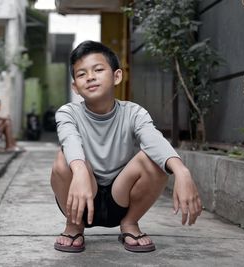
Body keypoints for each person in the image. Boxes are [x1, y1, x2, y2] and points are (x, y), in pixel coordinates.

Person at [51, 41, 202, 253]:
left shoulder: (134, 112)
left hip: (120, 199)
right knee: (62, 158)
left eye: (98, 69)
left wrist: (182, 171)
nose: (91, 77)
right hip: (80, 197)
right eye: (82, 74)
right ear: (75, 86)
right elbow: (70, 140)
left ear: (117, 76)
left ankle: (130, 223)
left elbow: (153, 140)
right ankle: (74, 226)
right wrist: (79, 170)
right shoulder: (68, 112)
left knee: (152, 160)